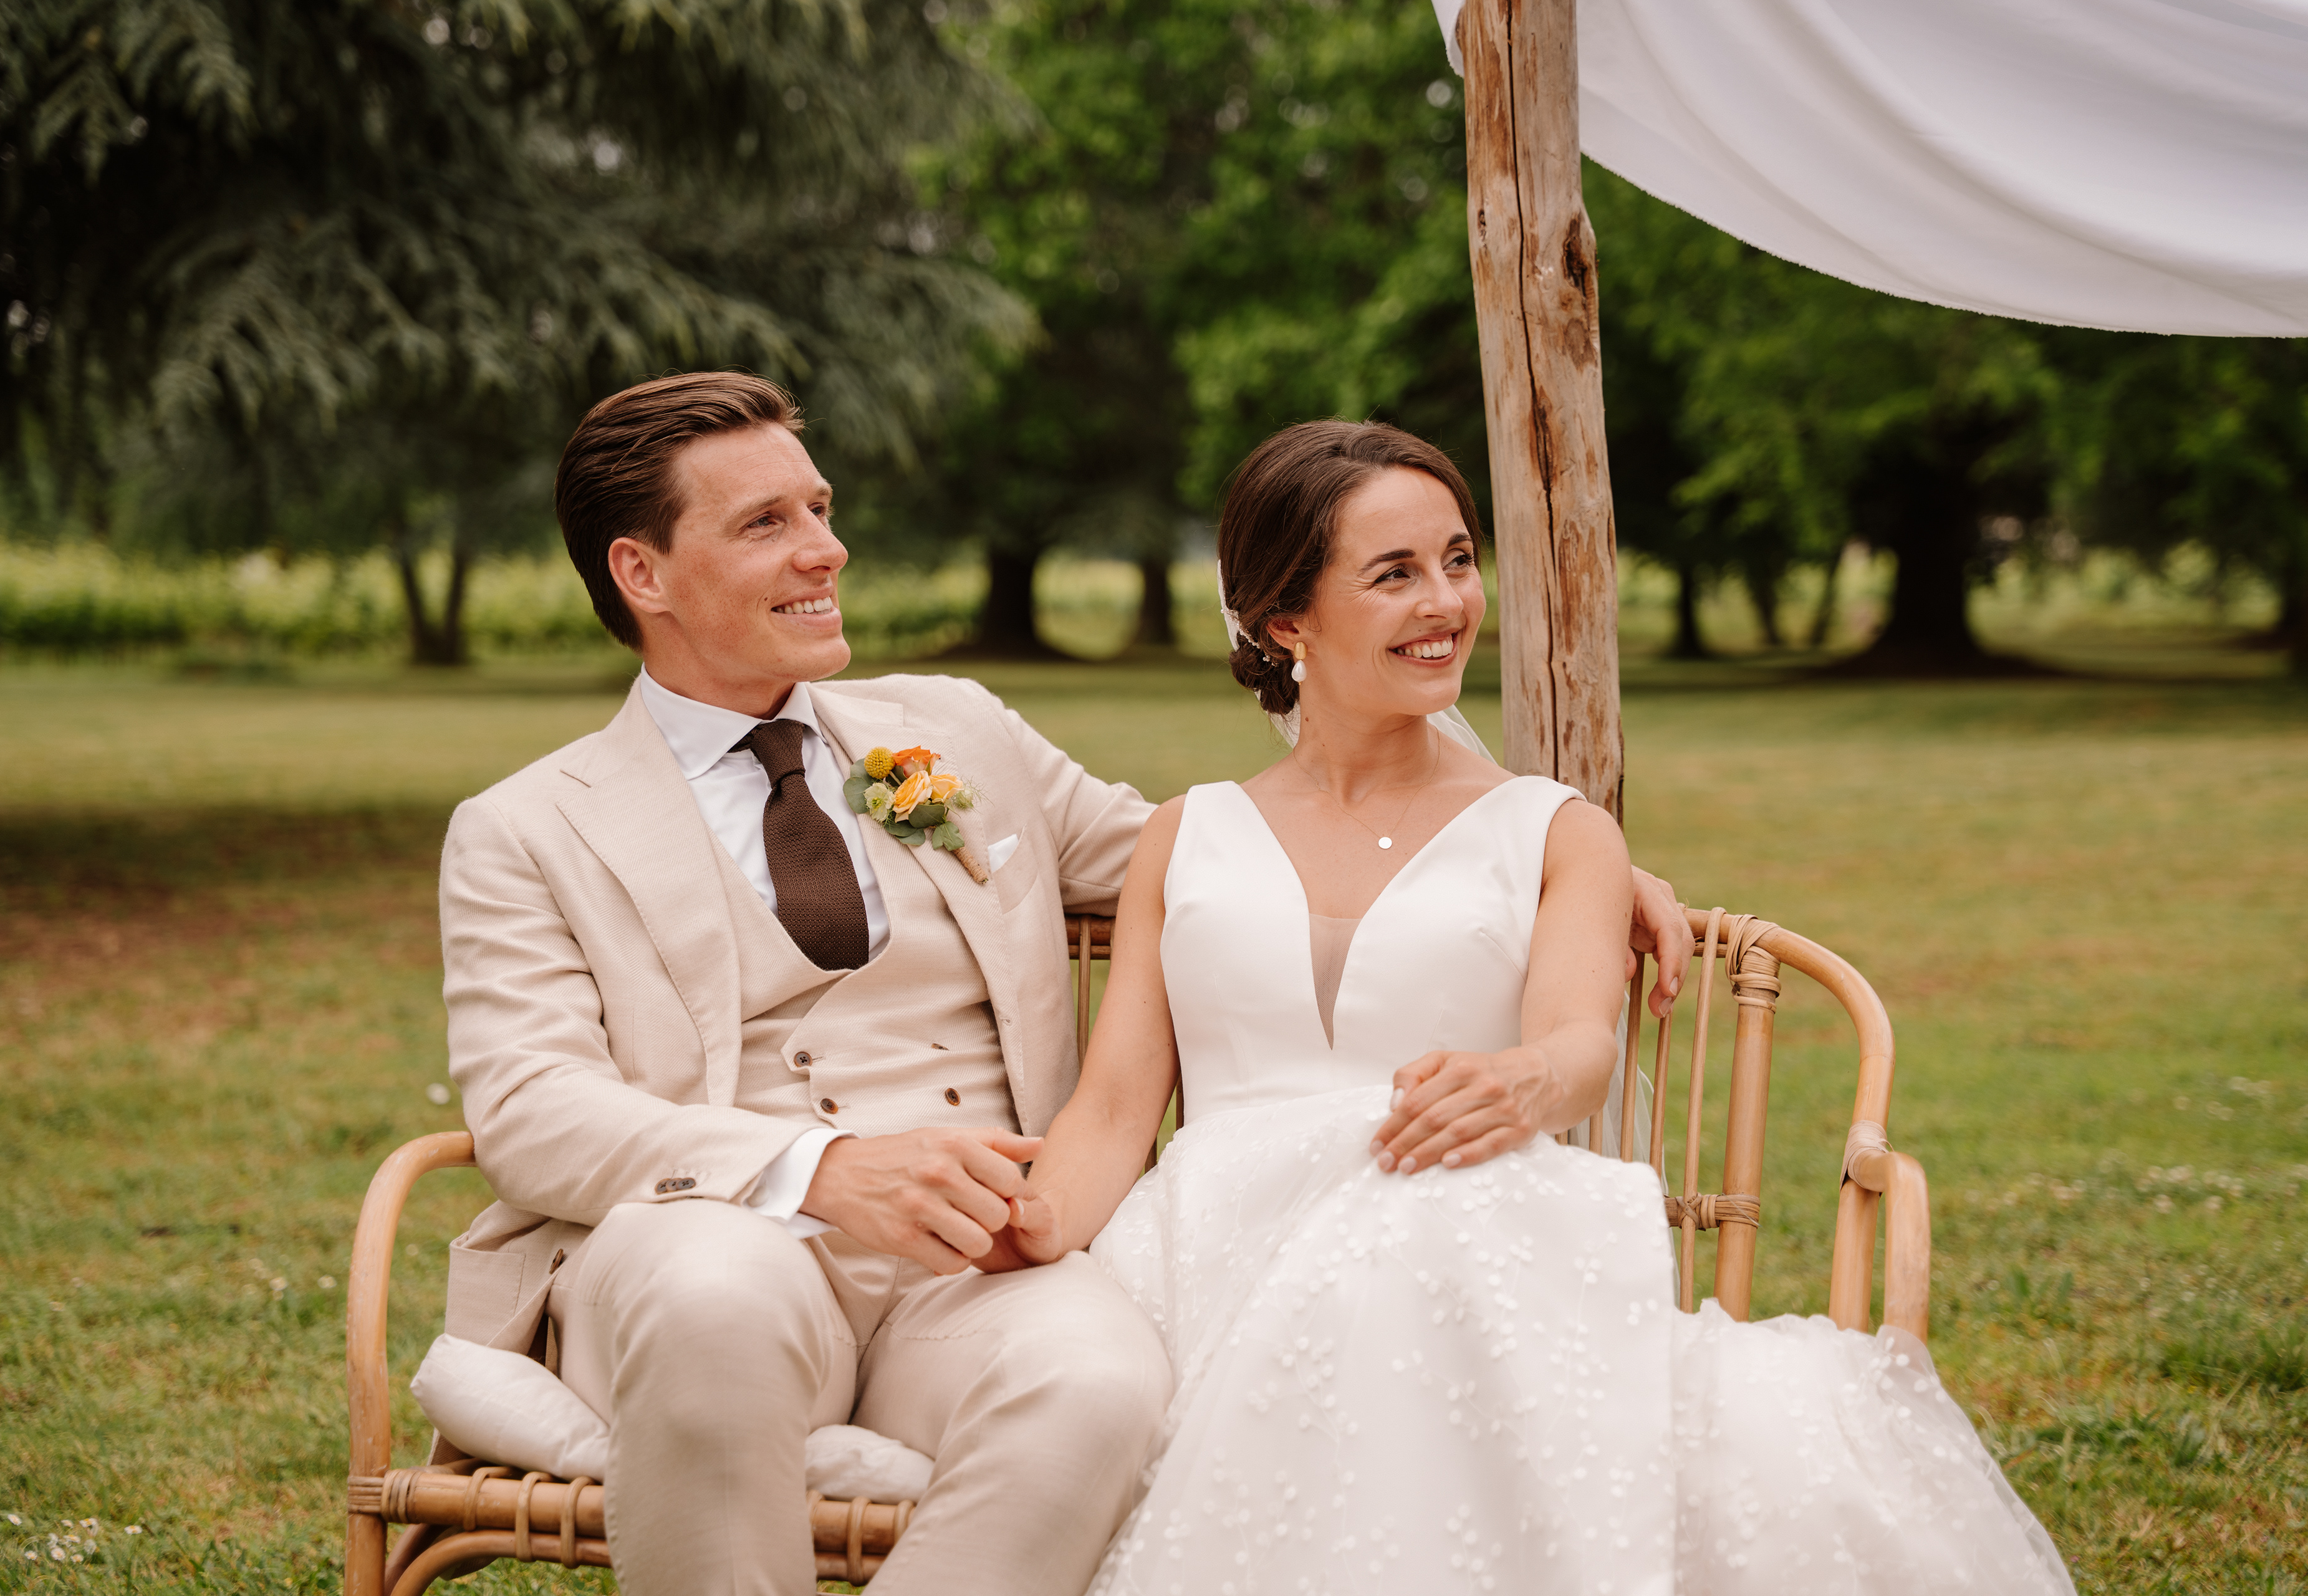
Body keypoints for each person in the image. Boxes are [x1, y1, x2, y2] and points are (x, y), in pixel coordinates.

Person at [438, 373, 1691, 1595]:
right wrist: (821, 1170)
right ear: (642, 572)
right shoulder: (529, 830)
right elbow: (531, 1109)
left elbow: (1223, 860)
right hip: (714, 1241)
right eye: (767, 522)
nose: (828, 548)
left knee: (1102, 1382)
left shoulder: (951, 732)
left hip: (981, 1262)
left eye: (819, 508)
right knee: (714, 1296)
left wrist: (1536, 859)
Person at [991, 420, 2079, 1595]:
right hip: (1217, 1251)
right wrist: (1035, 1225)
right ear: (1284, 618)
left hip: (1455, 1217)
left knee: (1406, 1243)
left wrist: (1518, 1081)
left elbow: (1578, 1046)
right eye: (1395, 573)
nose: (1448, 602)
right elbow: (1116, 1107)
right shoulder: (1184, 834)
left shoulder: (1556, 831)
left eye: (1459, 560)